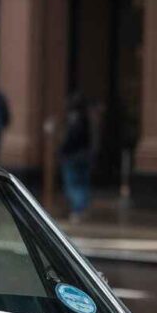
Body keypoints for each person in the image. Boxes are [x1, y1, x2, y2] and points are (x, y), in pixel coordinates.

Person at [59, 93, 93, 224]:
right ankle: (82, 209)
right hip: (84, 155)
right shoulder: (87, 118)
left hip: (73, 156)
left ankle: (77, 210)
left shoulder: (74, 119)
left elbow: (71, 138)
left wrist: (63, 150)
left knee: (73, 185)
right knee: (83, 184)